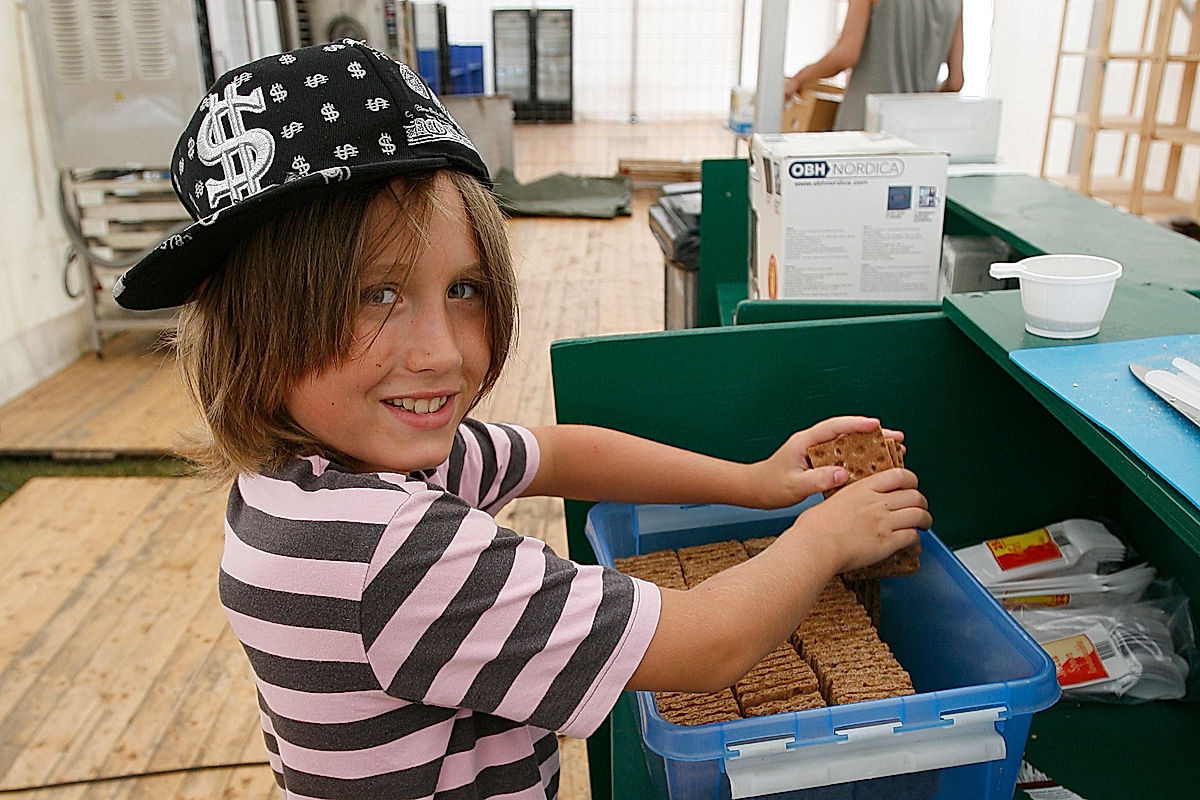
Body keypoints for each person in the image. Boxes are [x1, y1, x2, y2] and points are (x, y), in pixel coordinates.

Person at [114, 40, 931, 800]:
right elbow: (709, 642)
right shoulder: (389, 552)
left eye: (464, 290)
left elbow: (552, 453)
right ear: (249, 318)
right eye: (377, 294)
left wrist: (753, 483)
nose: (442, 352)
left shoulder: (313, 479)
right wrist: (826, 536)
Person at [784, 0, 964, 131]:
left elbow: (845, 55)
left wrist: (798, 80)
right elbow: (956, 82)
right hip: (915, 136)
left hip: (863, 131)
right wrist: (922, 95)